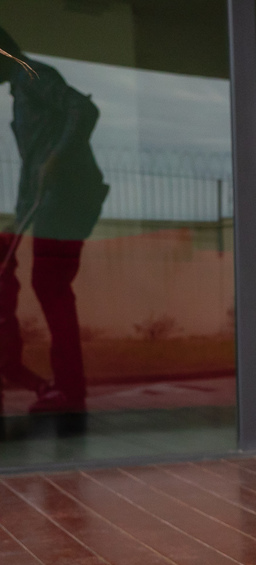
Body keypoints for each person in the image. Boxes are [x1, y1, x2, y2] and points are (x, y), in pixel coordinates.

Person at [0, 29, 108, 417]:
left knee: (50, 284)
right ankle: (65, 386)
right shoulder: (21, 89)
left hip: (66, 201)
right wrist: (15, 224)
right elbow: (34, 167)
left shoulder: (33, 76)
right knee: (48, 284)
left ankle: (69, 388)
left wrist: (56, 160)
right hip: (49, 202)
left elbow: (84, 110)